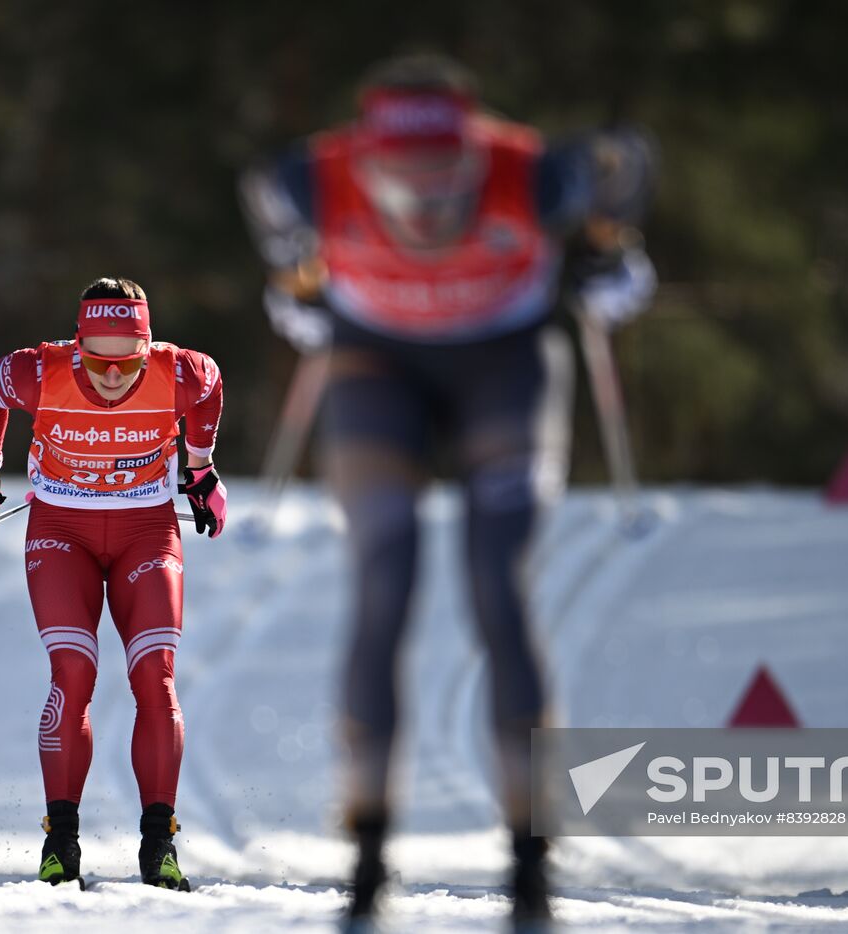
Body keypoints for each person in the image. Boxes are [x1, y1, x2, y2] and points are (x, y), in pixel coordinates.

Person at [240, 53, 655, 929]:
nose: (425, 204)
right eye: (402, 178)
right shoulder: (312, 176)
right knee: (383, 578)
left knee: (497, 588)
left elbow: (622, 168)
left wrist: (611, 259)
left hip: (502, 360)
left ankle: (530, 857)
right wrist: (294, 282)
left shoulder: (533, 171)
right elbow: (272, 209)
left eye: (446, 179)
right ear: (366, 152)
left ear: (472, 150)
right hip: (377, 358)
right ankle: (367, 850)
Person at [0, 277, 228, 890]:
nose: (112, 376)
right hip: (61, 532)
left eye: (128, 362)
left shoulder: (182, 373)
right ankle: (61, 840)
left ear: (149, 347)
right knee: (73, 671)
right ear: (77, 345)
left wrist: (200, 466)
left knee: (154, 671)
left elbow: (211, 390)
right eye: (98, 361)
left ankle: (159, 843)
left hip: (146, 532)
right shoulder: (38, 370)